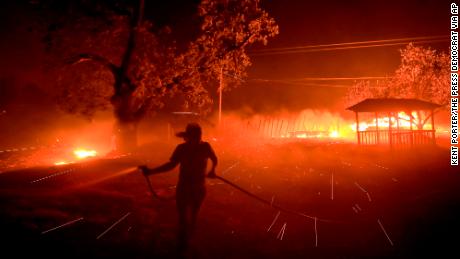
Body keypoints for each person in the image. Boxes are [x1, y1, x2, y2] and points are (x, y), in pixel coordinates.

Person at [139, 123, 218, 252]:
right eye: (195, 135)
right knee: (183, 217)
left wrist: (213, 170)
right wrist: (152, 172)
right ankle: (183, 244)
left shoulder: (205, 147)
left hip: (198, 187)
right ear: (189, 136)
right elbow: (171, 165)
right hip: (185, 187)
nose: (197, 138)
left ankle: (188, 242)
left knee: (193, 215)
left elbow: (215, 159)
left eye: (198, 135)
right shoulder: (182, 149)